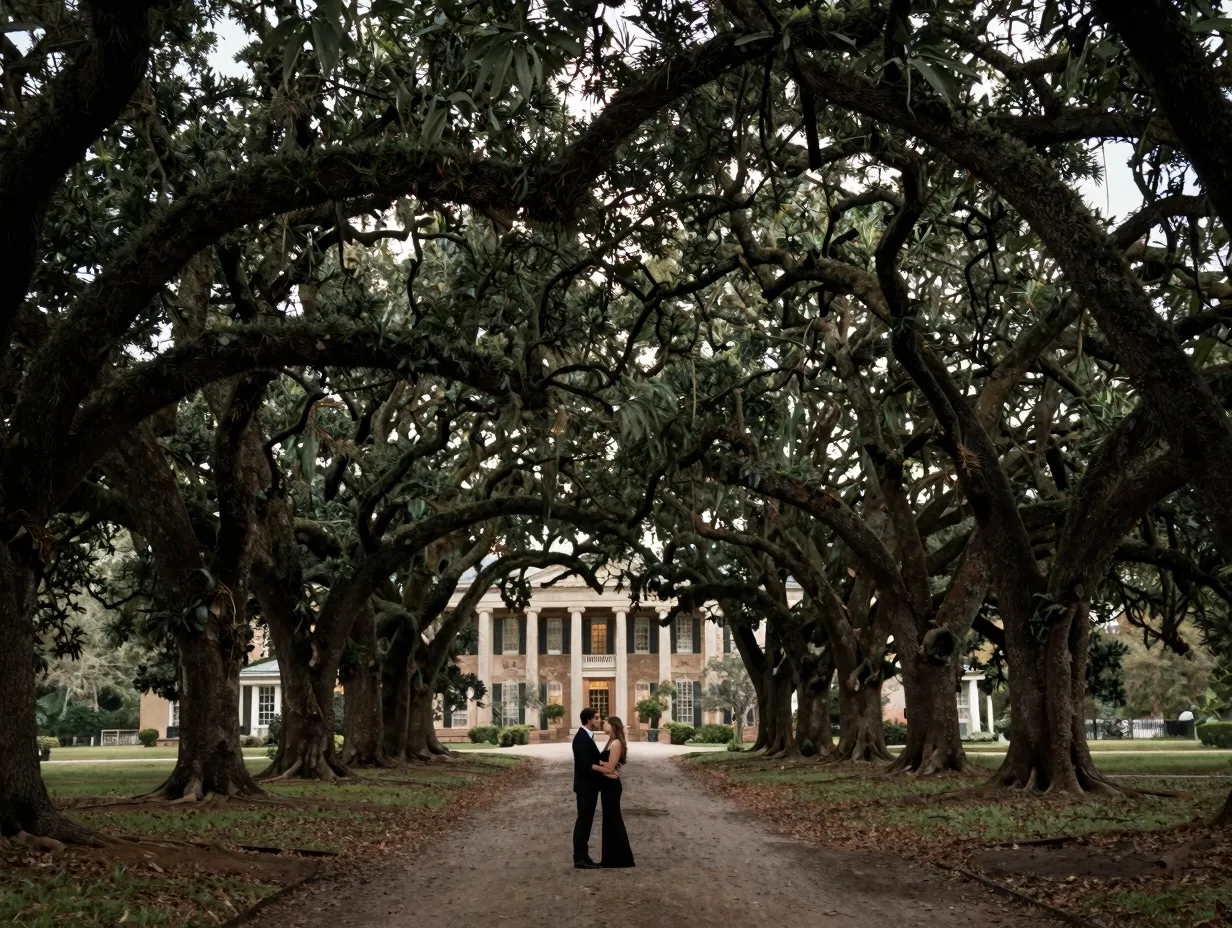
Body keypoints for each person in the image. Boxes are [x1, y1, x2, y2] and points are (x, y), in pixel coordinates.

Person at [591, 716, 635, 868]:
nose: (603, 724)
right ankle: (611, 859)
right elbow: (609, 764)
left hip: (612, 785)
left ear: (613, 726)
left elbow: (610, 769)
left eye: (606, 722)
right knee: (609, 821)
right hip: (607, 784)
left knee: (613, 820)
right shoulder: (610, 741)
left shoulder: (616, 743)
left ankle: (621, 859)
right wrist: (601, 763)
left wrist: (593, 766)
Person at [571, 707, 612, 869]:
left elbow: (597, 757)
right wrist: (607, 771)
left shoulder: (587, 736)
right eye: (596, 718)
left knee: (586, 822)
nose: (599, 720)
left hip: (589, 787)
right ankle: (580, 858)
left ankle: (583, 856)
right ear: (588, 720)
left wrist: (614, 741)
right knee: (583, 822)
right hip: (585, 787)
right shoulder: (581, 738)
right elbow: (586, 765)